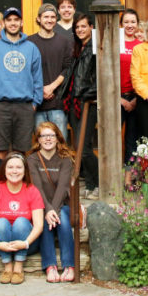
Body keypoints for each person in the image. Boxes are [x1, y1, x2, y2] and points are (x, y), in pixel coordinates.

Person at [0, 7, 43, 155]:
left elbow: (37, 77)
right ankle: (0, 179)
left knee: (22, 151)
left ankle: (20, 178)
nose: (13, 23)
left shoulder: (31, 48)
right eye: (9, 20)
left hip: (25, 106)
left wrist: (35, 102)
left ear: (21, 22)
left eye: (16, 20)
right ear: (4, 23)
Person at [0, 152, 44, 285]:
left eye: (18, 167)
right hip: (0, 241)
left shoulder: (32, 190)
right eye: (10, 167)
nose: (14, 171)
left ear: (25, 170)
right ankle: (7, 266)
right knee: (0, 223)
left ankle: (18, 267)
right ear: (4, 170)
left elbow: (39, 225)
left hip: (27, 242)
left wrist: (26, 243)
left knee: (21, 222)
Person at [26, 123, 76, 283]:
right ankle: (50, 265)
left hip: (62, 204)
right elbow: (36, 186)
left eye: (51, 135)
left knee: (63, 219)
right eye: (43, 136)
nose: (48, 139)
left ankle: (69, 265)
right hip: (41, 204)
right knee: (42, 220)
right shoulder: (32, 159)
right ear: (38, 140)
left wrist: (52, 210)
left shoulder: (66, 159)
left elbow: (62, 187)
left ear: (57, 138)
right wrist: (47, 210)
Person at [29, 3, 75, 138]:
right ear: (38, 19)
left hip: (58, 104)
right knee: (40, 144)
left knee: (60, 144)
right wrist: (40, 90)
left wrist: (51, 87)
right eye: (46, 17)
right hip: (36, 104)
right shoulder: (29, 42)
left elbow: (68, 68)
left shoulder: (64, 42)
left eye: (53, 17)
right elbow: (25, 72)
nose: (49, 20)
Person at [65, 14, 99, 198]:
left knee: (83, 147)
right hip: (74, 102)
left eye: (83, 27)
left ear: (91, 27)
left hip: (87, 102)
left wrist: (88, 94)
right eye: (77, 27)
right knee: (78, 147)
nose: (80, 30)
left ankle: (98, 182)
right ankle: (91, 183)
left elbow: (100, 74)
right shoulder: (79, 48)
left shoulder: (94, 47)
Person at [119, 9, 142, 161]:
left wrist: (136, 100)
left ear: (138, 24)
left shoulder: (142, 45)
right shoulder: (115, 43)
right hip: (117, 97)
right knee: (112, 137)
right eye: (126, 22)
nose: (129, 25)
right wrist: (119, 99)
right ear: (121, 25)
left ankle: (130, 176)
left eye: (133, 22)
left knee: (133, 139)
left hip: (137, 97)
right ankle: (113, 175)